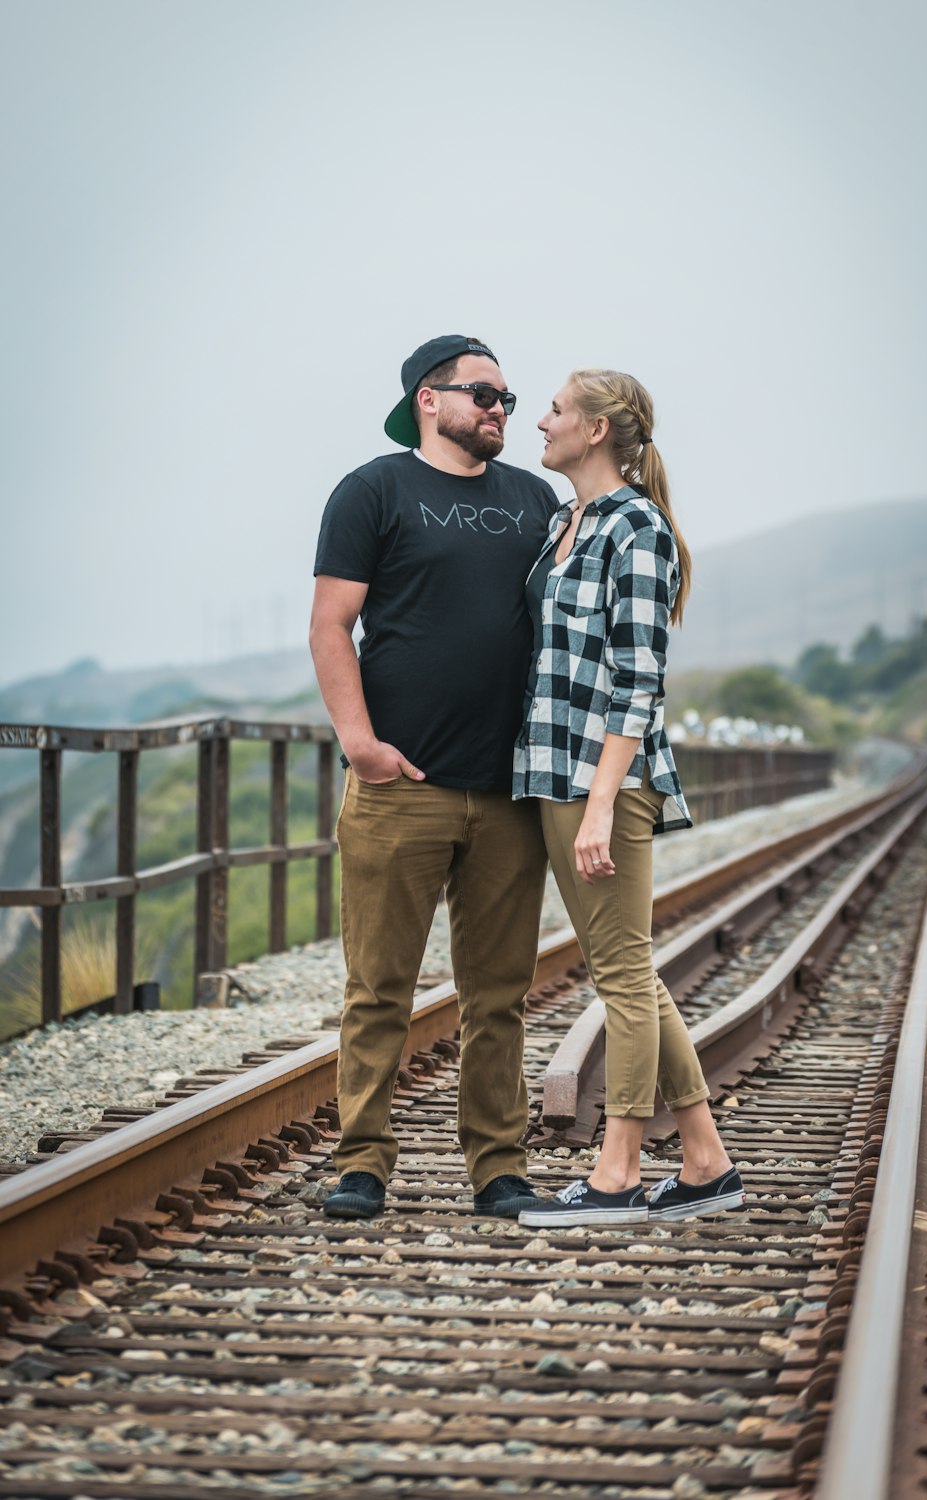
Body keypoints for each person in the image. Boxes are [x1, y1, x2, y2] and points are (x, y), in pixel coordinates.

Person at [310, 335, 559, 1221]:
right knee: (380, 989)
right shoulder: (373, 490)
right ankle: (362, 1164)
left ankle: (498, 1166)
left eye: (508, 399)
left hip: (508, 792)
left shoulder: (538, 500)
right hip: (397, 784)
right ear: (429, 397)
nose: (500, 410)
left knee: (499, 996)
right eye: (483, 394)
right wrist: (359, 742)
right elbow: (331, 625)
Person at [513, 368, 744, 1228]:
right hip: (552, 772)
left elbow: (639, 675)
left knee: (620, 975)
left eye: (557, 410)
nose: (541, 421)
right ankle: (706, 1161)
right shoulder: (564, 523)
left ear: (600, 429)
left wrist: (604, 800)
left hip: (601, 778)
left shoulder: (635, 529)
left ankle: (615, 1173)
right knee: (632, 972)